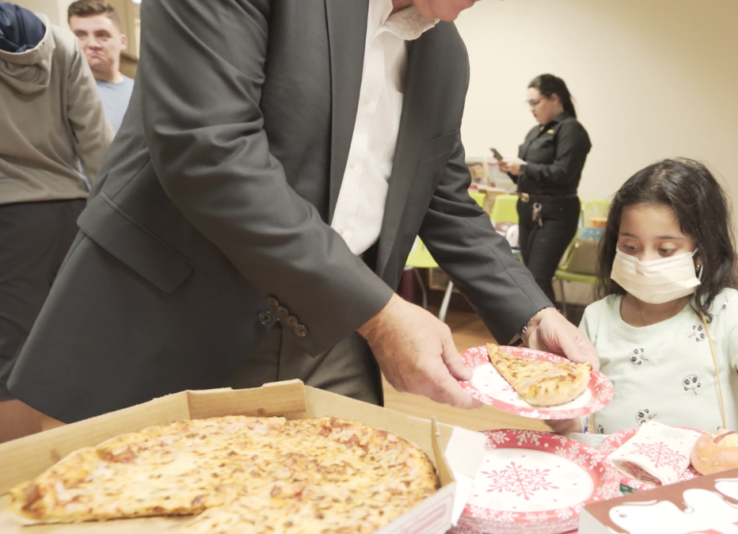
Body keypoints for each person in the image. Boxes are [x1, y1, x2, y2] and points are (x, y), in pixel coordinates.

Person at [8, 0, 597, 425]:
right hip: (176, 308)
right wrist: (380, 312)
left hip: (337, 336)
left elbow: (443, 196)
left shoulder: (446, 54)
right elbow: (210, 151)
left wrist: (532, 313)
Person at [551, 159, 738, 462]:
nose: (645, 262)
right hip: (617, 476)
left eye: (665, 250)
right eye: (631, 247)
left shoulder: (723, 308)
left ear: (702, 251)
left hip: (702, 481)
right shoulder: (597, 317)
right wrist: (567, 421)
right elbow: (581, 410)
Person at [0, 2, 112, 441]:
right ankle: (78, 457)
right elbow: (98, 142)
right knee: (69, 344)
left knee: (9, 358)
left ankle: (17, 483)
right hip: (71, 212)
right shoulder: (63, 42)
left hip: (9, 215)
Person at [499, 74, 591, 303]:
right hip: (528, 209)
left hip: (555, 213)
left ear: (554, 98)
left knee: (538, 279)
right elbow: (531, 176)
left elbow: (563, 173)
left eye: (535, 102)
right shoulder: (535, 132)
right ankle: (535, 334)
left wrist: (525, 167)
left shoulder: (571, 130)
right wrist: (515, 172)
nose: (531, 109)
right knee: (529, 278)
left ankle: (552, 335)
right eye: (528, 103)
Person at [67, 0, 133, 134]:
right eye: (81, 35)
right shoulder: (65, 93)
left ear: (122, 42)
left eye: (102, 35)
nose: (92, 44)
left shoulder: (140, 91)